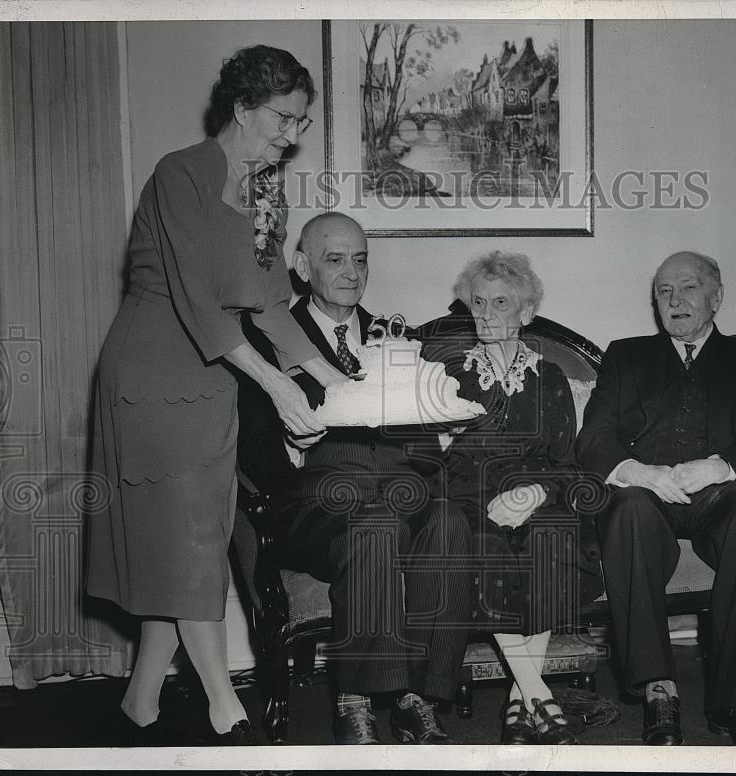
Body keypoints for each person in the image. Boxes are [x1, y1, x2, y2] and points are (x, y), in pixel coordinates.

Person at [86, 45, 345, 746]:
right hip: (151, 374)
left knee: (187, 543)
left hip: (213, 378)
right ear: (242, 109)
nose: (292, 136)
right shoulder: (182, 174)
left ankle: (140, 702)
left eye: (301, 123)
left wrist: (334, 376)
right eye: (283, 120)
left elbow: (268, 308)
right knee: (191, 543)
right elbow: (201, 304)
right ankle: (224, 706)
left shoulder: (267, 193)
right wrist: (275, 384)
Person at [235, 212, 472, 745]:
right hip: (311, 500)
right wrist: (293, 446)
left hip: (393, 491)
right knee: (377, 522)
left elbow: (425, 453)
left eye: (360, 260)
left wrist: (439, 427)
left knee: (448, 518)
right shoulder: (267, 338)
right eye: (335, 259)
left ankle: (418, 697)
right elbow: (249, 450)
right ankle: (356, 702)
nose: (351, 272)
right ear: (301, 267)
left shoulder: (398, 338)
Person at [576, 251, 736, 746]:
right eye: (664, 292)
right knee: (625, 506)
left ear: (716, 296)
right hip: (649, 497)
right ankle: (659, 690)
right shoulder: (626, 355)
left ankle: (735, 702)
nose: (675, 301)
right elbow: (595, 436)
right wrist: (641, 473)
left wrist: (717, 466)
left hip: (722, 495)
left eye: (688, 288)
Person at [422, 251, 602, 745]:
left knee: (555, 532)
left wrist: (536, 490)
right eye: (478, 302)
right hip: (470, 501)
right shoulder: (446, 375)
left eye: (501, 302)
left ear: (526, 312)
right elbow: (435, 465)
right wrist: (492, 500)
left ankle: (521, 701)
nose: (487, 313)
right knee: (485, 542)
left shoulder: (552, 379)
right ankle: (537, 693)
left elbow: (567, 464)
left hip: (538, 498)